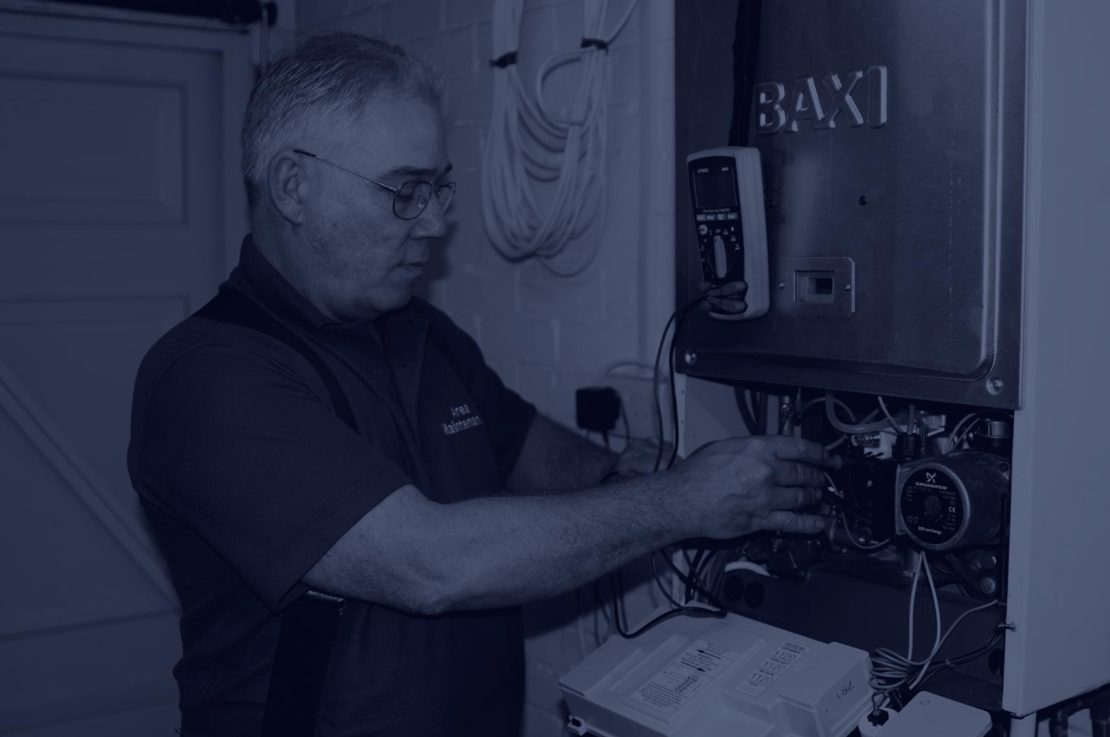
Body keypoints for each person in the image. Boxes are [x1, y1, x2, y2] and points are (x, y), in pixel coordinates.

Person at [127, 32, 834, 737]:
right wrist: (680, 502)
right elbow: (426, 564)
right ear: (293, 187)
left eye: (438, 188)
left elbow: (520, 443)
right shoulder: (210, 375)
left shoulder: (421, 331)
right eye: (406, 191)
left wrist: (622, 469)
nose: (434, 222)